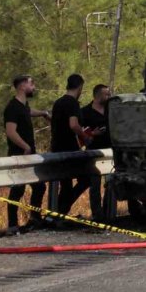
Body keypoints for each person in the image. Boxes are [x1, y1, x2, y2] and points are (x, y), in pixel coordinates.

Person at [3, 75, 51, 233]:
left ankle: (35, 219)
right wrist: (25, 147)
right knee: (18, 190)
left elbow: (29, 111)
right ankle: (12, 225)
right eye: (32, 84)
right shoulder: (12, 107)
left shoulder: (23, 106)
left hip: (29, 154)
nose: (34, 87)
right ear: (22, 86)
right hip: (19, 154)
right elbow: (10, 131)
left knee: (39, 187)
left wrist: (43, 113)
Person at [51, 74, 97, 218]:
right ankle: (59, 211)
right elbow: (73, 125)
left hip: (56, 146)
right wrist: (85, 138)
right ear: (80, 87)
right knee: (85, 179)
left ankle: (58, 214)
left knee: (66, 184)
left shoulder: (58, 102)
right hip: (69, 148)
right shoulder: (72, 103)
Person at [80, 84, 111, 221]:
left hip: (110, 151)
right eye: (106, 94)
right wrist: (93, 133)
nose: (109, 97)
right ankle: (97, 215)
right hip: (94, 151)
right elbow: (79, 133)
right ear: (97, 95)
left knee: (111, 184)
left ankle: (109, 212)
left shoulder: (111, 109)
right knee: (95, 185)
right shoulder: (85, 112)